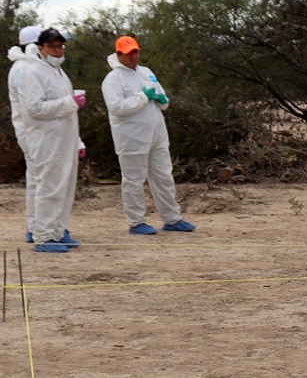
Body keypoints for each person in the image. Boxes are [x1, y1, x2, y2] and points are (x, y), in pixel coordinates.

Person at [100, 36, 195, 235]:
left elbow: (163, 98)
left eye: (135, 52)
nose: (133, 56)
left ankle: (172, 218)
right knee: (134, 179)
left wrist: (162, 99)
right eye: (128, 53)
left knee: (163, 176)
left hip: (157, 134)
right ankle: (136, 222)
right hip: (131, 137)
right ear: (119, 55)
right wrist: (142, 97)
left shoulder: (146, 72)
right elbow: (117, 107)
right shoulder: (113, 79)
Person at [20, 28, 85, 253]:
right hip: (47, 141)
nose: (57, 51)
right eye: (52, 47)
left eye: (60, 46)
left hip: (63, 140)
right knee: (49, 187)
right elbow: (34, 108)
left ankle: (57, 232)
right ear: (40, 48)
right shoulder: (34, 72)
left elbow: (67, 108)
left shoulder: (58, 72)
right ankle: (44, 236)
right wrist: (69, 102)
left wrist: (77, 141)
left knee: (64, 187)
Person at [7, 25, 43, 243]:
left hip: (36, 130)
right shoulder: (21, 69)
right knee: (39, 178)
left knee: (38, 177)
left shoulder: (29, 66)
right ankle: (36, 227)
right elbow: (30, 104)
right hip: (30, 131)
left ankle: (38, 225)